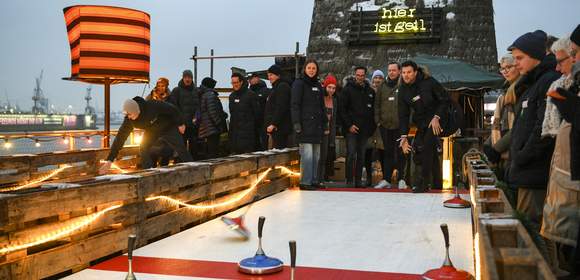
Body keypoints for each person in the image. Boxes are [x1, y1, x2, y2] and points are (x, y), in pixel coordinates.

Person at [507, 30, 560, 233]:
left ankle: (547, 266)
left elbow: (544, 128)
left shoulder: (546, 81)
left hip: (534, 172)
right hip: (526, 170)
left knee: (531, 231)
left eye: (520, 58)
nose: (516, 63)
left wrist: (522, 156)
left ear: (536, 56)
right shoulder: (534, 82)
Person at [540, 35, 579, 277]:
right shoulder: (564, 84)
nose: (558, 67)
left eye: (563, 59)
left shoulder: (565, 85)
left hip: (569, 177)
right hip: (562, 172)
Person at [99, 96, 193, 173]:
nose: (129, 118)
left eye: (130, 115)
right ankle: (148, 172)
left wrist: (180, 123)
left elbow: (172, 109)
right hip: (152, 130)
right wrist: (110, 160)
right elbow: (120, 138)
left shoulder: (152, 105)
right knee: (143, 147)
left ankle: (194, 168)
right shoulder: (129, 120)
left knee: (180, 147)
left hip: (167, 127)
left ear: (137, 111)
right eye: (127, 115)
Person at [398, 60, 449, 193]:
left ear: (415, 72)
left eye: (409, 72)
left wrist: (437, 117)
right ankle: (437, 184)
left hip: (439, 118)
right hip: (422, 122)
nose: (406, 75)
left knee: (427, 147)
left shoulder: (429, 82)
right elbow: (403, 115)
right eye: (403, 73)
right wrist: (403, 136)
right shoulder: (403, 89)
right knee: (420, 149)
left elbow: (445, 100)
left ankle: (423, 183)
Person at [483, 54, 522, 206]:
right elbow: (498, 125)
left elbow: (518, 126)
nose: (505, 71)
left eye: (508, 67)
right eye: (502, 68)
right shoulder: (506, 91)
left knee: (511, 201)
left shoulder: (519, 90)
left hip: (512, 153)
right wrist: (488, 144)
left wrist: (496, 148)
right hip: (504, 153)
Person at [291, 58, 328, 189]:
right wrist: (296, 122)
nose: (311, 70)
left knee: (316, 156)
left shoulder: (318, 85)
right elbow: (295, 105)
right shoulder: (299, 83)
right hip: (305, 126)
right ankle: (305, 181)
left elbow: (322, 106)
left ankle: (313, 180)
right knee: (307, 156)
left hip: (317, 127)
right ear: (305, 69)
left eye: (314, 68)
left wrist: (325, 123)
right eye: (309, 68)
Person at [340, 66, 377, 187]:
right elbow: (342, 110)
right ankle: (349, 180)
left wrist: (371, 128)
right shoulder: (347, 90)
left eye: (362, 75)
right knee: (351, 154)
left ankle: (358, 180)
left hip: (365, 130)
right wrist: (349, 125)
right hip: (351, 129)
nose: (360, 77)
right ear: (355, 75)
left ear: (365, 76)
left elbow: (373, 111)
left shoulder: (370, 91)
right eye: (358, 75)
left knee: (361, 155)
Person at [374, 62, 405, 189]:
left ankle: (401, 179)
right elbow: (377, 105)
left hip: (400, 126)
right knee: (387, 153)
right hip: (385, 125)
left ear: (399, 71)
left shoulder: (403, 85)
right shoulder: (382, 86)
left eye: (394, 70)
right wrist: (378, 121)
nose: (391, 72)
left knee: (401, 152)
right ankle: (386, 179)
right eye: (389, 70)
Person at [169, 70, 200, 159]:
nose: (187, 79)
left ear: (192, 78)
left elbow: (198, 107)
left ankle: (194, 167)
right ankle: (179, 166)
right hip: (181, 125)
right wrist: (179, 123)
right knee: (180, 149)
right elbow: (173, 108)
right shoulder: (177, 90)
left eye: (189, 77)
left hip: (193, 125)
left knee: (194, 148)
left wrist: (196, 117)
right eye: (186, 77)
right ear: (182, 78)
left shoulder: (196, 91)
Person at [229, 73, 260, 154]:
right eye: (233, 83)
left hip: (247, 135)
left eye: (236, 82)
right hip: (235, 135)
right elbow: (232, 115)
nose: (234, 85)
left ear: (241, 82)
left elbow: (257, 114)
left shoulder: (251, 95)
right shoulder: (232, 96)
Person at [146, 77, 174, 166]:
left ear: (166, 87)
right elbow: (145, 108)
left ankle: (164, 175)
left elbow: (174, 111)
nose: (161, 87)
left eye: (163, 86)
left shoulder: (170, 98)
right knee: (152, 154)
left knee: (165, 155)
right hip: (153, 128)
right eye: (159, 85)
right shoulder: (151, 96)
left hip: (166, 129)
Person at [198, 77, 227, 159]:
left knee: (209, 150)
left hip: (206, 126)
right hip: (212, 128)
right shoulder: (210, 95)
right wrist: (219, 123)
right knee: (213, 152)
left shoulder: (204, 94)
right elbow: (212, 112)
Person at [264, 64, 292, 149]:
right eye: (268, 75)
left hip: (280, 128)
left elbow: (281, 107)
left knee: (279, 152)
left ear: (278, 75)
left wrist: (273, 123)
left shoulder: (282, 86)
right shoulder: (275, 87)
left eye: (271, 75)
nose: (269, 77)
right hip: (275, 128)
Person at [318, 74, 339, 182]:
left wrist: (332, 137)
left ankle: (321, 179)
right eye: (329, 87)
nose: (331, 90)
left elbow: (333, 120)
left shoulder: (334, 100)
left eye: (334, 88)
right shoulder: (320, 98)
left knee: (324, 157)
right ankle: (316, 178)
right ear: (325, 87)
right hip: (318, 131)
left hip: (328, 132)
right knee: (317, 156)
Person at [249, 73, 271, 150]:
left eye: (255, 78)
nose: (253, 80)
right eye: (252, 78)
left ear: (258, 79)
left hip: (263, 122)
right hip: (251, 123)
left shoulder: (266, 91)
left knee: (263, 144)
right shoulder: (248, 92)